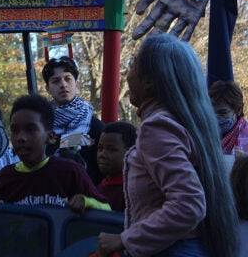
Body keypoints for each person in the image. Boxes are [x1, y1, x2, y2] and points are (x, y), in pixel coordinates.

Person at [97, 34, 239, 257]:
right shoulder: (184, 123)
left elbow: (189, 204)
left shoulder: (157, 128)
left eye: (133, 64)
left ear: (149, 81)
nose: (127, 74)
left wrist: (123, 239)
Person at [0, 94, 109, 214]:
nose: (21, 137)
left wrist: (87, 203)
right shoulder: (4, 177)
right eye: (15, 130)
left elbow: (106, 208)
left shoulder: (71, 172)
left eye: (30, 129)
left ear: (50, 136)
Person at [42, 56, 105, 183]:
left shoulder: (94, 126)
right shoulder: (41, 126)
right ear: (48, 89)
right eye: (56, 81)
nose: (63, 84)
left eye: (67, 79)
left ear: (76, 84)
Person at [209, 80, 248, 155]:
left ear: (238, 110)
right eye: (211, 112)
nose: (216, 118)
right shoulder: (201, 139)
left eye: (223, 113)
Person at [95, 121, 136, 212]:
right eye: (100, 148)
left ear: (131, 152)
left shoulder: (134, 191)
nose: (102, 154)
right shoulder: (98, 189)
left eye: (111, 150)